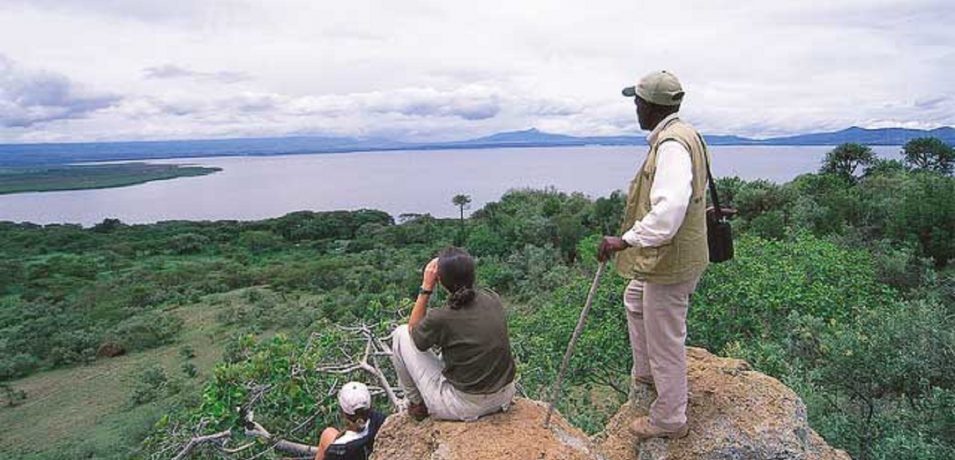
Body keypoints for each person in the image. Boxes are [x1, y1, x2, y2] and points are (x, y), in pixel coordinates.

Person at [596, 70, 710, 440]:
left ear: (648, 106)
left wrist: (624, 240)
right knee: (634, 297)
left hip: (671, 261)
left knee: (665, 336)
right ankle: (646, 373)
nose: (634, 107)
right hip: (676, 255)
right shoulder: (684, 134)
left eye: (636, 101)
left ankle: (669, 418)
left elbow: (669, 210)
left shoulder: (672, 145)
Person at [389, 246, 517, 421]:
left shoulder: (441, 317)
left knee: (400, 334)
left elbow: (414, 333)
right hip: (504, 395)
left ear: (440, 280)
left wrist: (426, 287)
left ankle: (417, 404)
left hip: (465, 405)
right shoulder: (492, 297)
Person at [315, 381, 387, 460]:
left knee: (327, 433)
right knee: (328, 433)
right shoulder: (381, 421)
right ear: (370, 406)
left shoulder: (337, 449)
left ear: (343, 413)